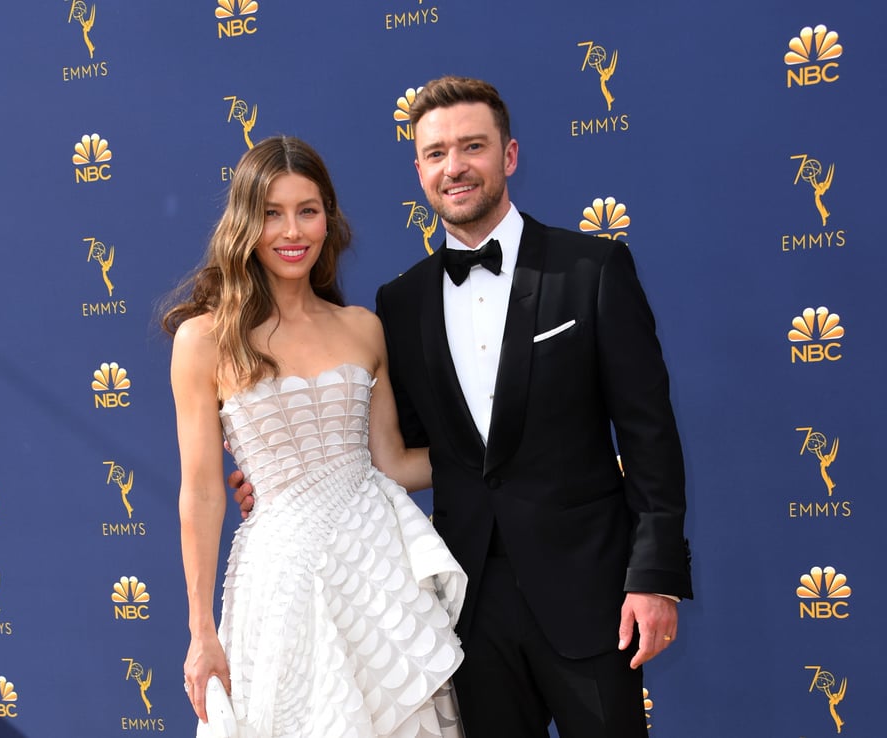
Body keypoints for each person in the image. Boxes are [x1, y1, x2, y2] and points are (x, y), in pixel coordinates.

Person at [234, 77, 692, 737]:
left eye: (472, 146)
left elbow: (650, 437)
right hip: (465, 608)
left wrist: (655, 578)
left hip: (590, 594)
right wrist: (294, 479)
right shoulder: (401, 304)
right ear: (419, 170)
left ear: (508, 156)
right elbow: (400, 451)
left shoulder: (592, 270)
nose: (455, 166)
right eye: (437, 152)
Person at [161, 136, 467, 738]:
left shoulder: (363, 329)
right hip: (281, 583)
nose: (291, 230)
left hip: (378, 575)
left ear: (330, 218)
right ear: (244, 223)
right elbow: (199, 493)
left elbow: (395, 465)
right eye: (271, 213)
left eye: (307, 210)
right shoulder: (204, 340)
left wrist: (502, 454)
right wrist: (201, 632)